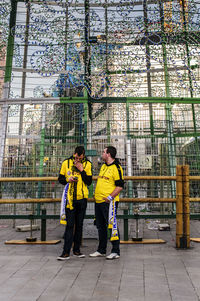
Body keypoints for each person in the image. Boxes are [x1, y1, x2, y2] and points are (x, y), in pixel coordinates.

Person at [57, 146, 92, 260]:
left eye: (80, 157)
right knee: (70, 225)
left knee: (79, 225)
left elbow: (89, 181)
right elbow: (60, 179)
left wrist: (81, 170)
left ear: (83, 156)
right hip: (70, 199)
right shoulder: (66, 163)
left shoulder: (88, 164)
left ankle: (77, 250)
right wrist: (68, 180)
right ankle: (66, 251)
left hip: (82, 199)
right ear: (74, 154)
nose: (77, 159)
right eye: (76, 157)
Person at [90, 146, 124, 260]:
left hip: (109, 202)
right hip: (99, 201)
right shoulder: (103, 166)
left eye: (104, 152)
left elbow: (120, 186)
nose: (102, 153)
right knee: (100, 226)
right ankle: (101, 249)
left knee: (111, 225)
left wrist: (110, 197)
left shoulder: (117, 167)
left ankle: (115, 250)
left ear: (109, 154)